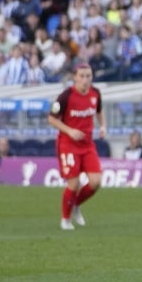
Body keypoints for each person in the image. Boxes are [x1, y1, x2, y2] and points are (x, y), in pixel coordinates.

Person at [47, 63, 106, 230]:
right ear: (75, 77)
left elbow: (99, 111)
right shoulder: (65, 96)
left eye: (89, 76)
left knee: (96, 182)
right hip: (68, 144)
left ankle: (75, 205)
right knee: (74, 183)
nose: (85, 80)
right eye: (82, 76)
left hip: (87, 145)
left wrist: (103, 126)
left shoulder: (95, 93)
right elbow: (51, 119)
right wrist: (70, 131)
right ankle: (65, 220)